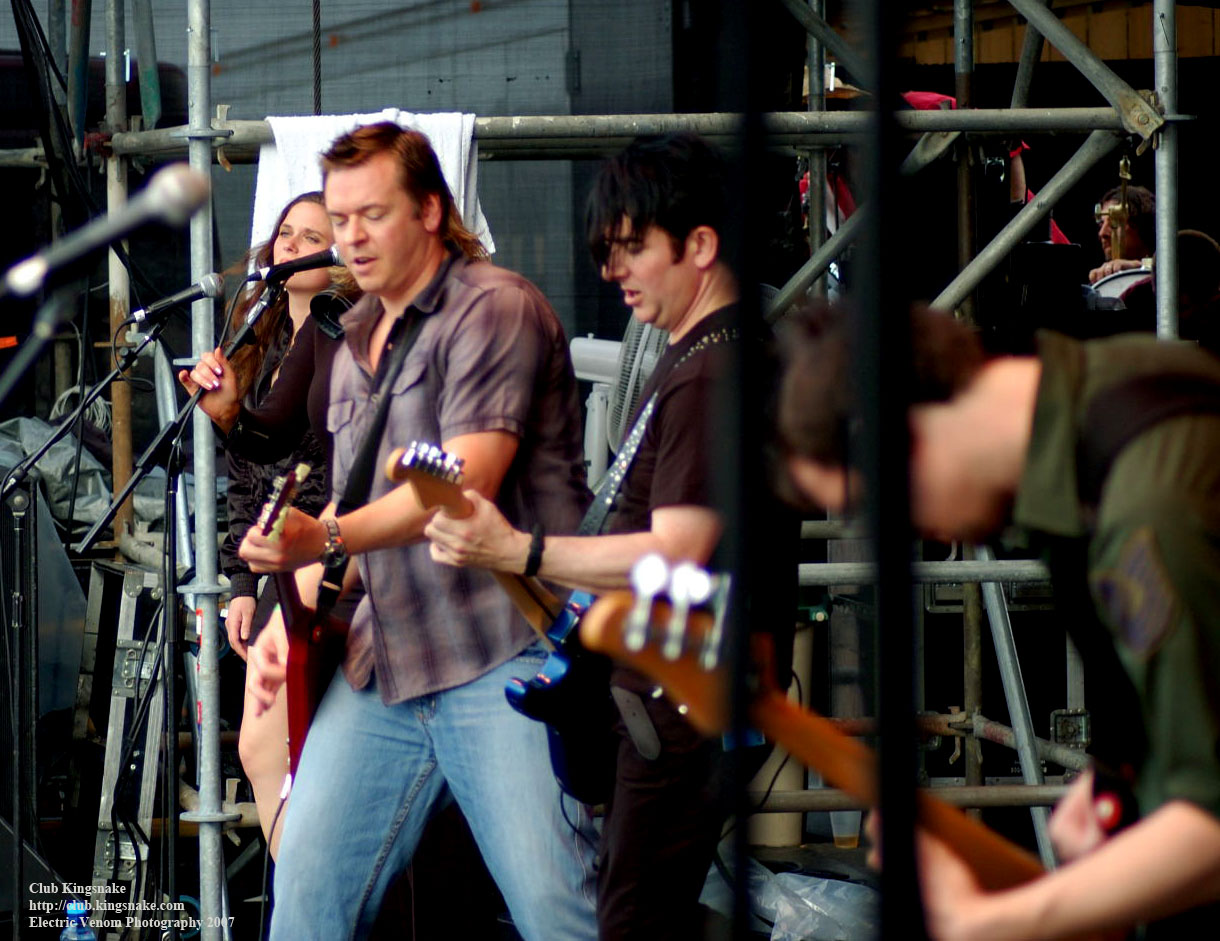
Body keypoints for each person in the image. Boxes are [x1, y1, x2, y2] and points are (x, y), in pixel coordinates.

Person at [424, 132, 795, 940]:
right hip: (677, 693)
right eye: (606, 249)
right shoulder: (706, 353)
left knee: (632, 920)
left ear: (701, 245)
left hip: (681, 699)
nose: (612, 270)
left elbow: (675, 549)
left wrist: (518, 551)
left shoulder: (714, 370)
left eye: (633, 248)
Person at [236, 122, 598, 940]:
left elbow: (462, 481)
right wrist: (284, 621)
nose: (351, 237)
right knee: (305, 902)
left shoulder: (495, 306)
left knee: (557, 912)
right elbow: (360, 517)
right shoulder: (352, 340)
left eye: (372, 214)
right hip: (386, 666)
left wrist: (322, 539)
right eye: (340, 220)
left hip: (502, 651)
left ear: (431, 210)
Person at [776, 303, 1220, 939]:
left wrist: (989, 921)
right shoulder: (1112, 392)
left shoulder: (1144, 513)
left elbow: (1210, 824)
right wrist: (1115, 781)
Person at [177, 191, 355, 856]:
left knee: (277, 743)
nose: (293, 246)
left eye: (312, 237)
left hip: (330, 555)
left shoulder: (344, 329)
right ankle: (302, 890)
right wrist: (241, 583)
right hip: (274, 561)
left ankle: (307, 891)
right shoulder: (265, 337)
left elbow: (308, 461)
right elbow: (246, 471)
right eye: (286, 233)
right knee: (268, 751)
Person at [1088, 183, 1155, 284]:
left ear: (1142, 224)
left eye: (1115, 221)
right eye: (1101, 224)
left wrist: (1140, 266)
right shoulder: (1099, 284)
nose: (1102, 233)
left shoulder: (1171, 274)